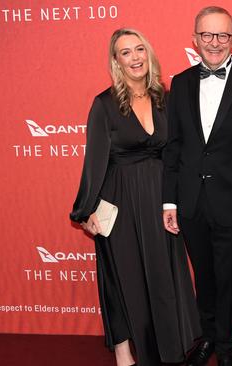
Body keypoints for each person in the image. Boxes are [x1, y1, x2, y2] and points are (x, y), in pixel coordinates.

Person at [70, 28, 200, 366]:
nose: (135, 57)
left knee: (162, 277)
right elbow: (94, 162)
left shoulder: (166, 98)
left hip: (161, 201)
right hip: (120, 200)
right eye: (125, 52)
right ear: (116, 61)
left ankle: (168, 352)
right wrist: (85, 212)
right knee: (124, 278)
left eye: (139, 49)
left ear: (149, 53)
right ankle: (126, 355)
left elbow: (181, 152)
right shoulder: (104, 104)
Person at [162, 6, 232, 366]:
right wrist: (169, 203)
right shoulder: (179, 83)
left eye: (222, 35)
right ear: (194, 39)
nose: (214, 43)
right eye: (207, 35)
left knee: (229, 282)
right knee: (205, 280)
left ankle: (226, 349)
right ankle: (207, 338)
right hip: (192, 204)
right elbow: (174, 147)